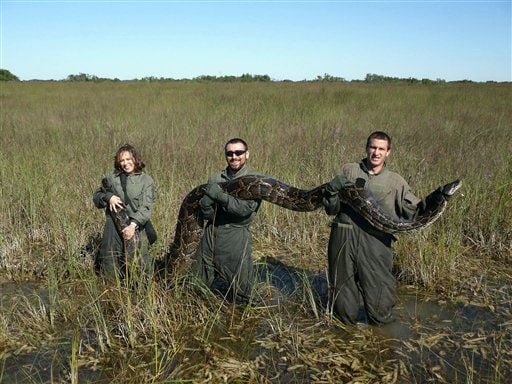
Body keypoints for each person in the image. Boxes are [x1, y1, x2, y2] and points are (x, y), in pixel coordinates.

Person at [323, 131, 424, 325]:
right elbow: (331, 209)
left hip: (376, 242)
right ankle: (346, 335)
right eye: (373, 147)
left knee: (379, 298)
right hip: (343, 235)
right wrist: (331, 192)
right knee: (342, 296)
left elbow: (415, 213)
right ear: (366, 148)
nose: (376, 153)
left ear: (388, 153)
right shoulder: (349, 171)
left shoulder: (395, 182)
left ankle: (381, 339)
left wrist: (435, 201)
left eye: (381, 149)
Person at [192, 138, 263, 303]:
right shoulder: (216, 177)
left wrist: (220, 196)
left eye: (238, 152)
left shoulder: (255, 179)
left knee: (242, 292)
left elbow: (244, 210)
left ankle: (242, 320)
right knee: (198, 281)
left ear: (247, 154)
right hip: (211, 232)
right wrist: (206, 207)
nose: (234, 157)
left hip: (235, 234)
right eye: (230, 153)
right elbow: (208, 215)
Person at [93, 144, 156, 280]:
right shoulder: (112, 177)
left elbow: (147, 206)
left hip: (136, 225)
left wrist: (133, 225)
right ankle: (112, 293)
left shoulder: (146, 180)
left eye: (128, 159)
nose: (126, 163)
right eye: (122, 161)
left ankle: (142, 294)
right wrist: (108, 197)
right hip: (113, 226)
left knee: (141, 264)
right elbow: (97, 196)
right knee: (111, 262)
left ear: (135, 159)